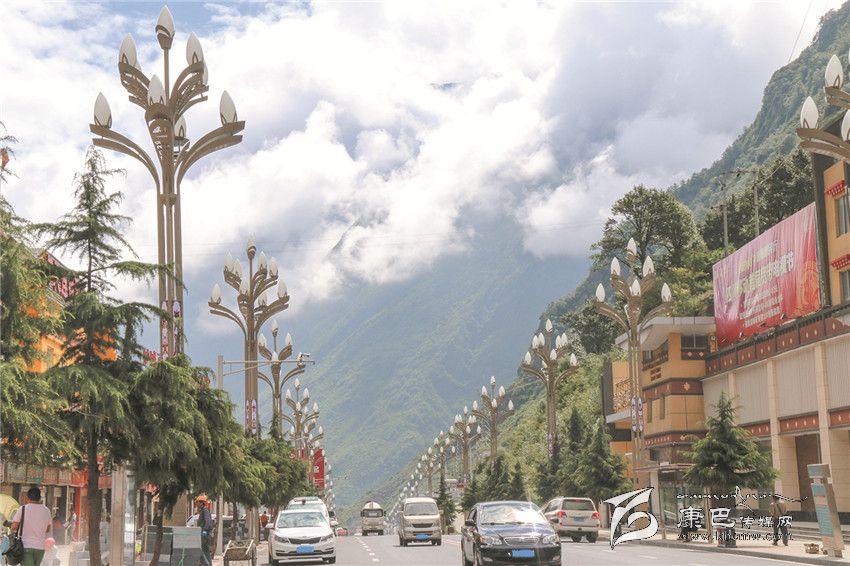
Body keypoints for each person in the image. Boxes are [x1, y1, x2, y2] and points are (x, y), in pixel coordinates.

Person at [10, 487, 53, 566]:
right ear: (40, 497)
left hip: (26, 546)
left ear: (27, 498)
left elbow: (13, 527)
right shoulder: (46, 510)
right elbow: (47, 529)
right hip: (40, 548)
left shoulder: (23, 509)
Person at [195, 496, 213, 566]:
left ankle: (206, 564)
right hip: (205, 533)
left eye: (197, 502)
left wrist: (205, 530)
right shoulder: (203, 510)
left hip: (205, 534)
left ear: (201, 503)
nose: (196, 503)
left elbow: (208, 521)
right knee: (206, 551)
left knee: (201, 549)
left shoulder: (205, 510)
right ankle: (208, 564)